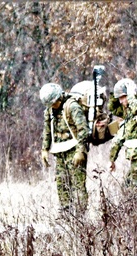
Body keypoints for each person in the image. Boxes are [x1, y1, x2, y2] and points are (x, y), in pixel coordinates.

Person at [40, 82, 91, 214]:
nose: (52, 106)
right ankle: (66, 214)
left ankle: (80, 216)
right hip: (60, 152)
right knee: (62, 184)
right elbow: (47, 130)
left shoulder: (72, 106)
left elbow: (83, 130)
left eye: (54, 103)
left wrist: (80, 151)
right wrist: (45, 149)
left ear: (59, 98)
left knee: (78, 185)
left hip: (74, 150)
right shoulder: (49, 111)